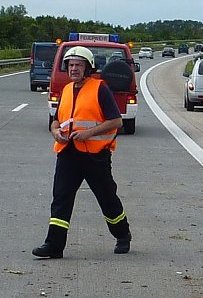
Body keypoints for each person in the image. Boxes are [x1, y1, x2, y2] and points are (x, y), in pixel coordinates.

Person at [32, 46, 132, 258]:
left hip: (95, 156)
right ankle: (54, 245)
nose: (74, 69)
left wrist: (89, 133)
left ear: (88, 67)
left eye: (78, 65)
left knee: (106, 198)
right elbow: (55, 120)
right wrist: (55, 132)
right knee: (61, 198)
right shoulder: (67, 90)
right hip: (68, 153)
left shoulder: (99, 89)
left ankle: (122, 234)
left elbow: (116, 121)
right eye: (70, 65)